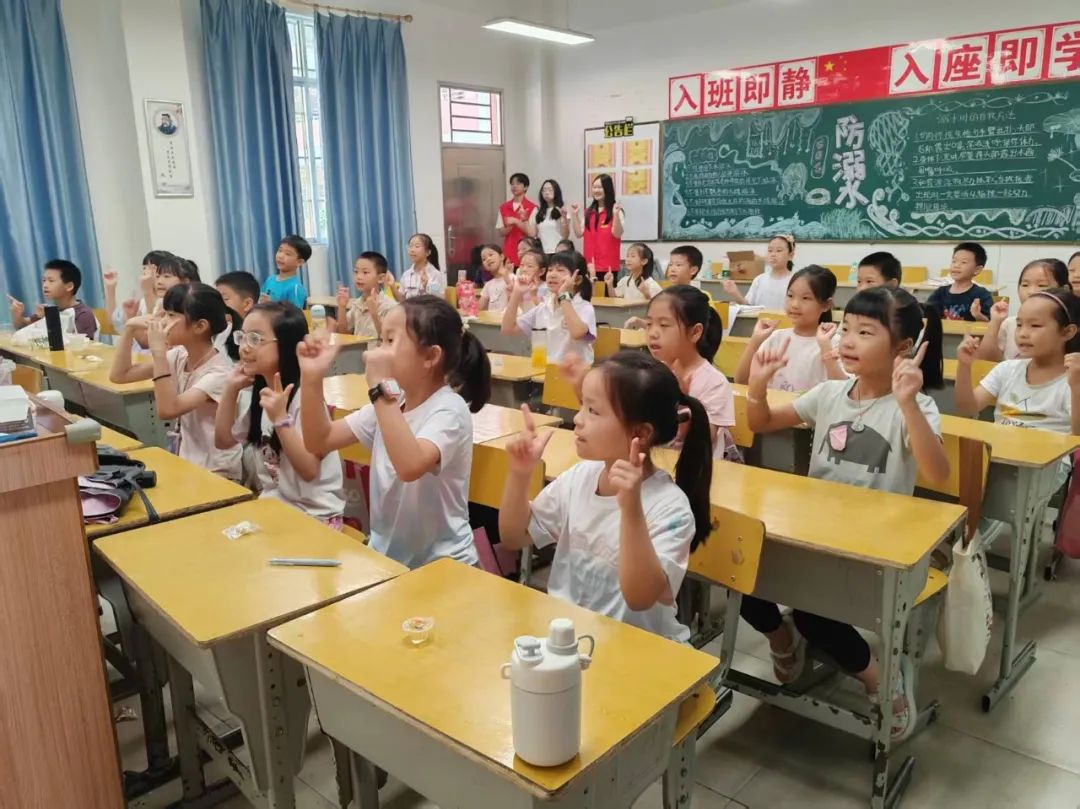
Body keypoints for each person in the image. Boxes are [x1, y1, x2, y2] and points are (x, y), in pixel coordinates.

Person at [744, 286, 950, 742]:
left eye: (865, 332)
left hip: (875, 548)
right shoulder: (830, 393)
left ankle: (880, 679)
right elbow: (760, 423)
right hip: (816, 534)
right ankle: (784, 639)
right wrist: (757, 387)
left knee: (815, 615)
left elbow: (938, 473)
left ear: (903, 348)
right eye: (846, 328)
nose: (848, 340)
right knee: (743, 576)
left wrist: (908, 403)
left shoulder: (915, 406)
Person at [498, 351, 713, 642]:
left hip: (639, 649)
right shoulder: (580, 477)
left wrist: (631, 509)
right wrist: (520, 474)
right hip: (572, 639)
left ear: (641, 433)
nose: (577, 419)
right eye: (582, 406)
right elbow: (515, 536)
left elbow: (640, 598)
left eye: (593, 411)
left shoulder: (670, 507)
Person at [298, 295, 491, 568]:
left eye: (390, 340)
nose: (378, 350)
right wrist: (311, 377)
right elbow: (319, 440)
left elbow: (410, 466)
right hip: (388, 560)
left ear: (430, 357)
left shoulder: (450, 409)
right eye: (381, 339)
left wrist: (379, 388)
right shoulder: (393, 401)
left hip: (444, 565)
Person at [215, 302, 344, 525]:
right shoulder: (262, 394)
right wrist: (229, 389)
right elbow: (223, 441)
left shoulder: (304, 399)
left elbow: (309, 470)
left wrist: (281, 420)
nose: (244, 347)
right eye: (242, 337)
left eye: (255, 339)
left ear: (286, 345)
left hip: (314, 515)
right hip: (276, 506)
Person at [110, 283, 242, 480]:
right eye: (164, 314)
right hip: (188, 462)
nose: (162, 321)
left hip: (217, 470)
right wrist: (129, 329)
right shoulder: (180, 355)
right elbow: (120, 375)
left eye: (171, 315)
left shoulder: (219, 373)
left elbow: (168, 410)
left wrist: (159, 353)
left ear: (200, 326)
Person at [957, 287, 1080, 441]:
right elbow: (967, 408)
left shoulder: (1073, 379)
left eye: (1035, 326)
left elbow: (1078, 437)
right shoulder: (1007, 369)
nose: (1023, 334)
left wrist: (1077, 389)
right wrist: (964, 366)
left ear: (1067, 332)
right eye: (1019, 325)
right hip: (1000, 452)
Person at [734, 265, 845, 392]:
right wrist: (755, 342)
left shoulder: (834, 343)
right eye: (790, 295)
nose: (794, 304)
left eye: (806, 298)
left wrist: (826, 348)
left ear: (826, 305)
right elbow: (741, 380)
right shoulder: (776, 338)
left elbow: (843, 392)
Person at [501, 250, 597, 364]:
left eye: (560, 270)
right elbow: (507, 328)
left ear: (577, 279)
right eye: (550, 270)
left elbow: (577, 333)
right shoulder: (544, 307)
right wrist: (517, 292)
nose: (552, 274)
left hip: (572, 373)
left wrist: (563, 295)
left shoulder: (584, 307)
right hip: (543, 369)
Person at [975, 259, 1069, 362]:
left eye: (1042, 285)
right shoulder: (1010, 323)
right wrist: (995, 322)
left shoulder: (1066, 327)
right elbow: (987, 360)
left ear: (1064, 290)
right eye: (1025, 285)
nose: (1031, 292)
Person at [8, 259, 98, 338]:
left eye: (51, 281)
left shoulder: (83, 314)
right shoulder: (49, 309)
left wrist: (50, 320)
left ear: (69, 286)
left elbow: (83, 346)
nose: (45, 285)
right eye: (44, 280)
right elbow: (22, 326)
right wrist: (17, 315)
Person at [571, 174, 623, 283]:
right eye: (594, 187)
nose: (596, 190)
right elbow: (579, 233)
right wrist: (574, 215)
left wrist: (616, 214)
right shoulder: (589, 212)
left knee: (607, 294)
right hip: (590, 266)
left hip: (608, 268)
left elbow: (617, 234)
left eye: (600, 187)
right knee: (590, 293)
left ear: (608, 189)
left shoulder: (616, 211)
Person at [723, 235, 796, 310]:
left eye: (779, 250)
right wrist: (735, 292)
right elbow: (748, 307)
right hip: (760, 318)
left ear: (791, 255)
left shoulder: (795, 281)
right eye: (770, 250)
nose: (773, 254)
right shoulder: (759, 280)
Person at [334, 251, 396, 339]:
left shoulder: (390, 307)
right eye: (356, 272)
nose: (358, 277)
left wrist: (374, 313)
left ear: (381, 278)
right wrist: (342, 307)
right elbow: (343, 334)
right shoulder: (357, 304)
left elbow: (389, 340)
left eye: (365, 272)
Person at [926, 242, 993, 322]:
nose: (956, 265)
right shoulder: (940, 292)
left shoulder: (982, 294)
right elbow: (926, 314)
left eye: (963, 262)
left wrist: (977, 315)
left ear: (977, 269)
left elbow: (989, 323)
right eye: (954, 261)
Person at [105, 250, 168, 332]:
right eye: (144, 268)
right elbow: (115, 322)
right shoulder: (141, 301)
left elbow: (154, 328)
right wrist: (111, 288)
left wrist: (147, 292)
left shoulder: (168, 301)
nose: (146, 272)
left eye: (153, 268)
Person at [497, 173, 537, 266]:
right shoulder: (504, 207)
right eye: (512, 184)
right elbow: (501, 232)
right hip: (509, 251)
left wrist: (516, 222)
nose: (514, 186)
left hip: (526, 252)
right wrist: (510, 226)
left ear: (525, 187)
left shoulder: (532, 207)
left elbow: (532, 233)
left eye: (518, 184)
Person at [261, 234, 311, 309]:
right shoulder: (270, 279)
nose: (280, 256)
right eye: (280, 250)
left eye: (287, 254)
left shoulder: (295, 288)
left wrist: (272, 305)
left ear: (299, 262)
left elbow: (295, 315)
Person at [394, 233, 446, 299]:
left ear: (428, 252)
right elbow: (402, 299)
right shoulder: (406, 274)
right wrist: (392, 285)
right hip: (410, 306)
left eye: (417, 246)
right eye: (410, 246)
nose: (412, 250)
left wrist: (427, 284)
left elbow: (439, 299)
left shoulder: (434, 274)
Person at [534, 179, 570, 254]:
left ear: (556, 192)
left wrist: (564, 218)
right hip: (543, 253)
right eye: (544, 190)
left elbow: (565, 236)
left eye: (550, 190)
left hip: (558, 252)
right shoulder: (539, 212)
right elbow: (535, 234)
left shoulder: (562, 210)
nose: (546, 193)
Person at [478, 245, 515, 312]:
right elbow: (479, 308)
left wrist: (508, 281)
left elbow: (516, 305)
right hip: (491, 318)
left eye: (491, 255)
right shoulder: (488, 285)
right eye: (484, 259)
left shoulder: (513, 278)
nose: (488, 259)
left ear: (501, 257)